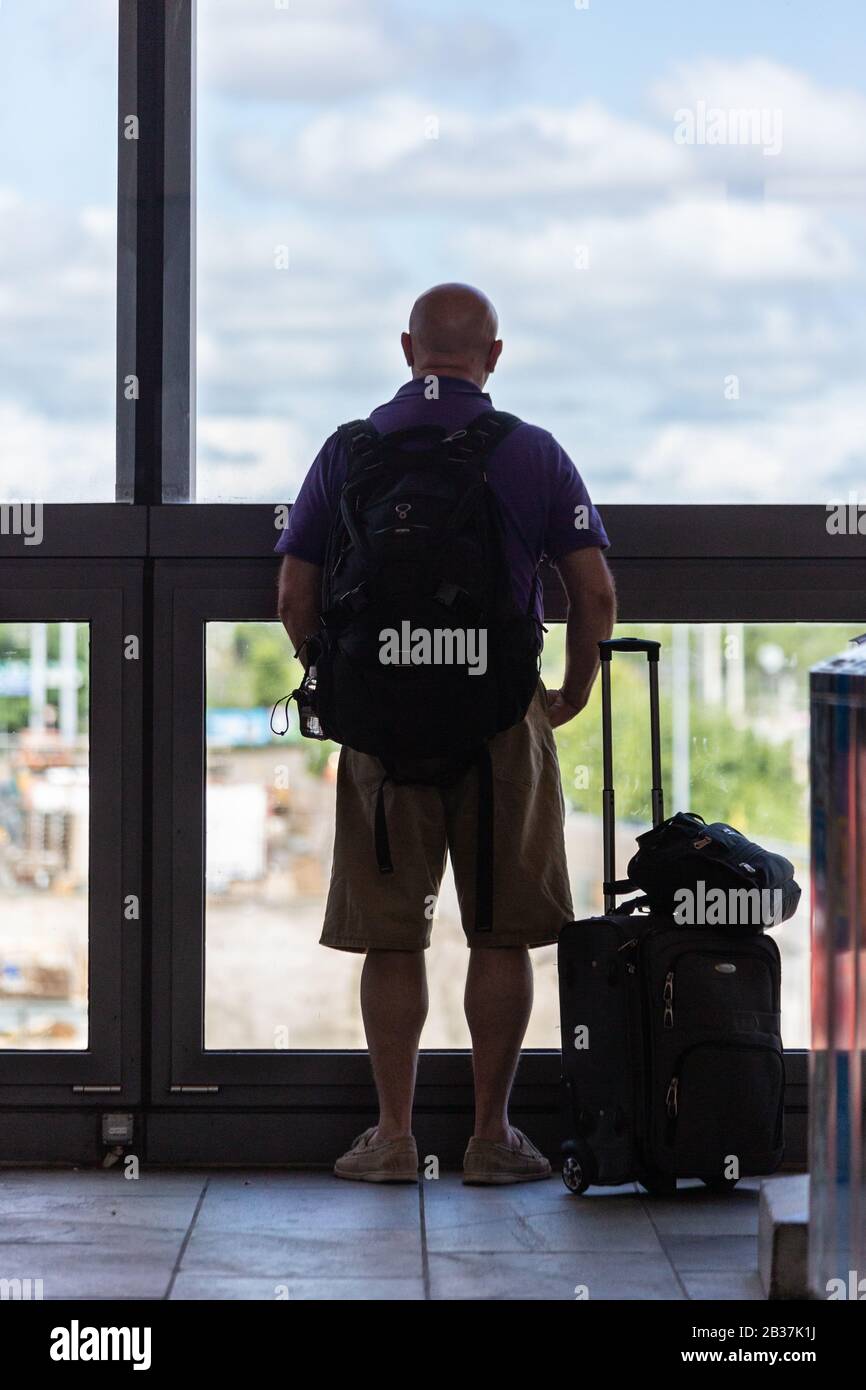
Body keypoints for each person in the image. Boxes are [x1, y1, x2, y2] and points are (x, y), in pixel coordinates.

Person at [276, 283, 616, 1184]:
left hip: (381, 733)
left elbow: (294, 596)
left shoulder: (346, 451)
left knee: (394, 938)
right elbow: (596, 595)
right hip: (500, 721)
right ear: (493, 358)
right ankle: (492, 1138)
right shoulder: (532, 453)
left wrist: (352, 685)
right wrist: (569, 694)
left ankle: (392, 1137)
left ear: (406, 349)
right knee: (500, 934)